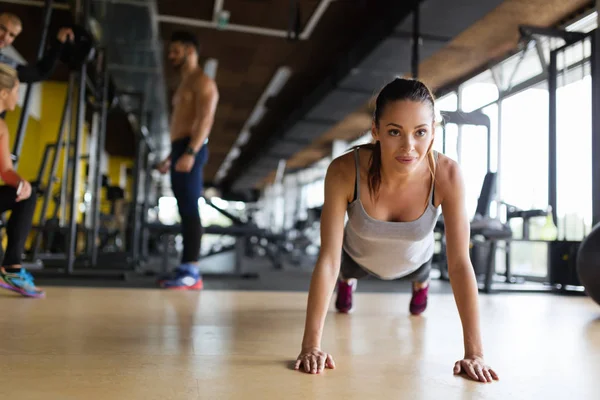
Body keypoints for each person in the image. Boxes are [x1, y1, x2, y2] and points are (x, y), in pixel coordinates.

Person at [294, 78, 499, 383]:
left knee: (418, 297)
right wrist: (311, 346)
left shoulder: (447, 174)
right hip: (356, 259)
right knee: (345, 275)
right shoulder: (344, 170)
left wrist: (475, 353)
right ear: (375, 130)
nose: (408, 147)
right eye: (394, 132)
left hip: (417, 261)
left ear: (433, 131)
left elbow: (458, 263)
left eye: (420, 132)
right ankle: (348, 283)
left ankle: (420, 285)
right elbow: (328, 258)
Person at [155, 31, 219, 290]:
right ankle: (185, 267)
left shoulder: (203, 82)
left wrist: (191, 153)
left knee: (191, 209)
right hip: (180, 147)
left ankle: (192, 271)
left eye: (176, 51)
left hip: (191, 148)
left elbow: (205, 121)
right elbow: (182, 123)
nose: (171, 56)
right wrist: (171, 156)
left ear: (191, 51)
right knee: (183, 209)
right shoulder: (184, 83)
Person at [0, 63, 42, 298]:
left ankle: (13, 268)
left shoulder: (2, 127)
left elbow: (6, 170)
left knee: (27, 195)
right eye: (16, 90)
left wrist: (21, 183)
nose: (18, 96)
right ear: (4, 93)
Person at [0, 12, 74, 85]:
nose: (5, 37)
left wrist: (59, 43)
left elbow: (40, 73)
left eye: (11, 35)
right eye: (2, 28)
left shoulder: (4, 63)